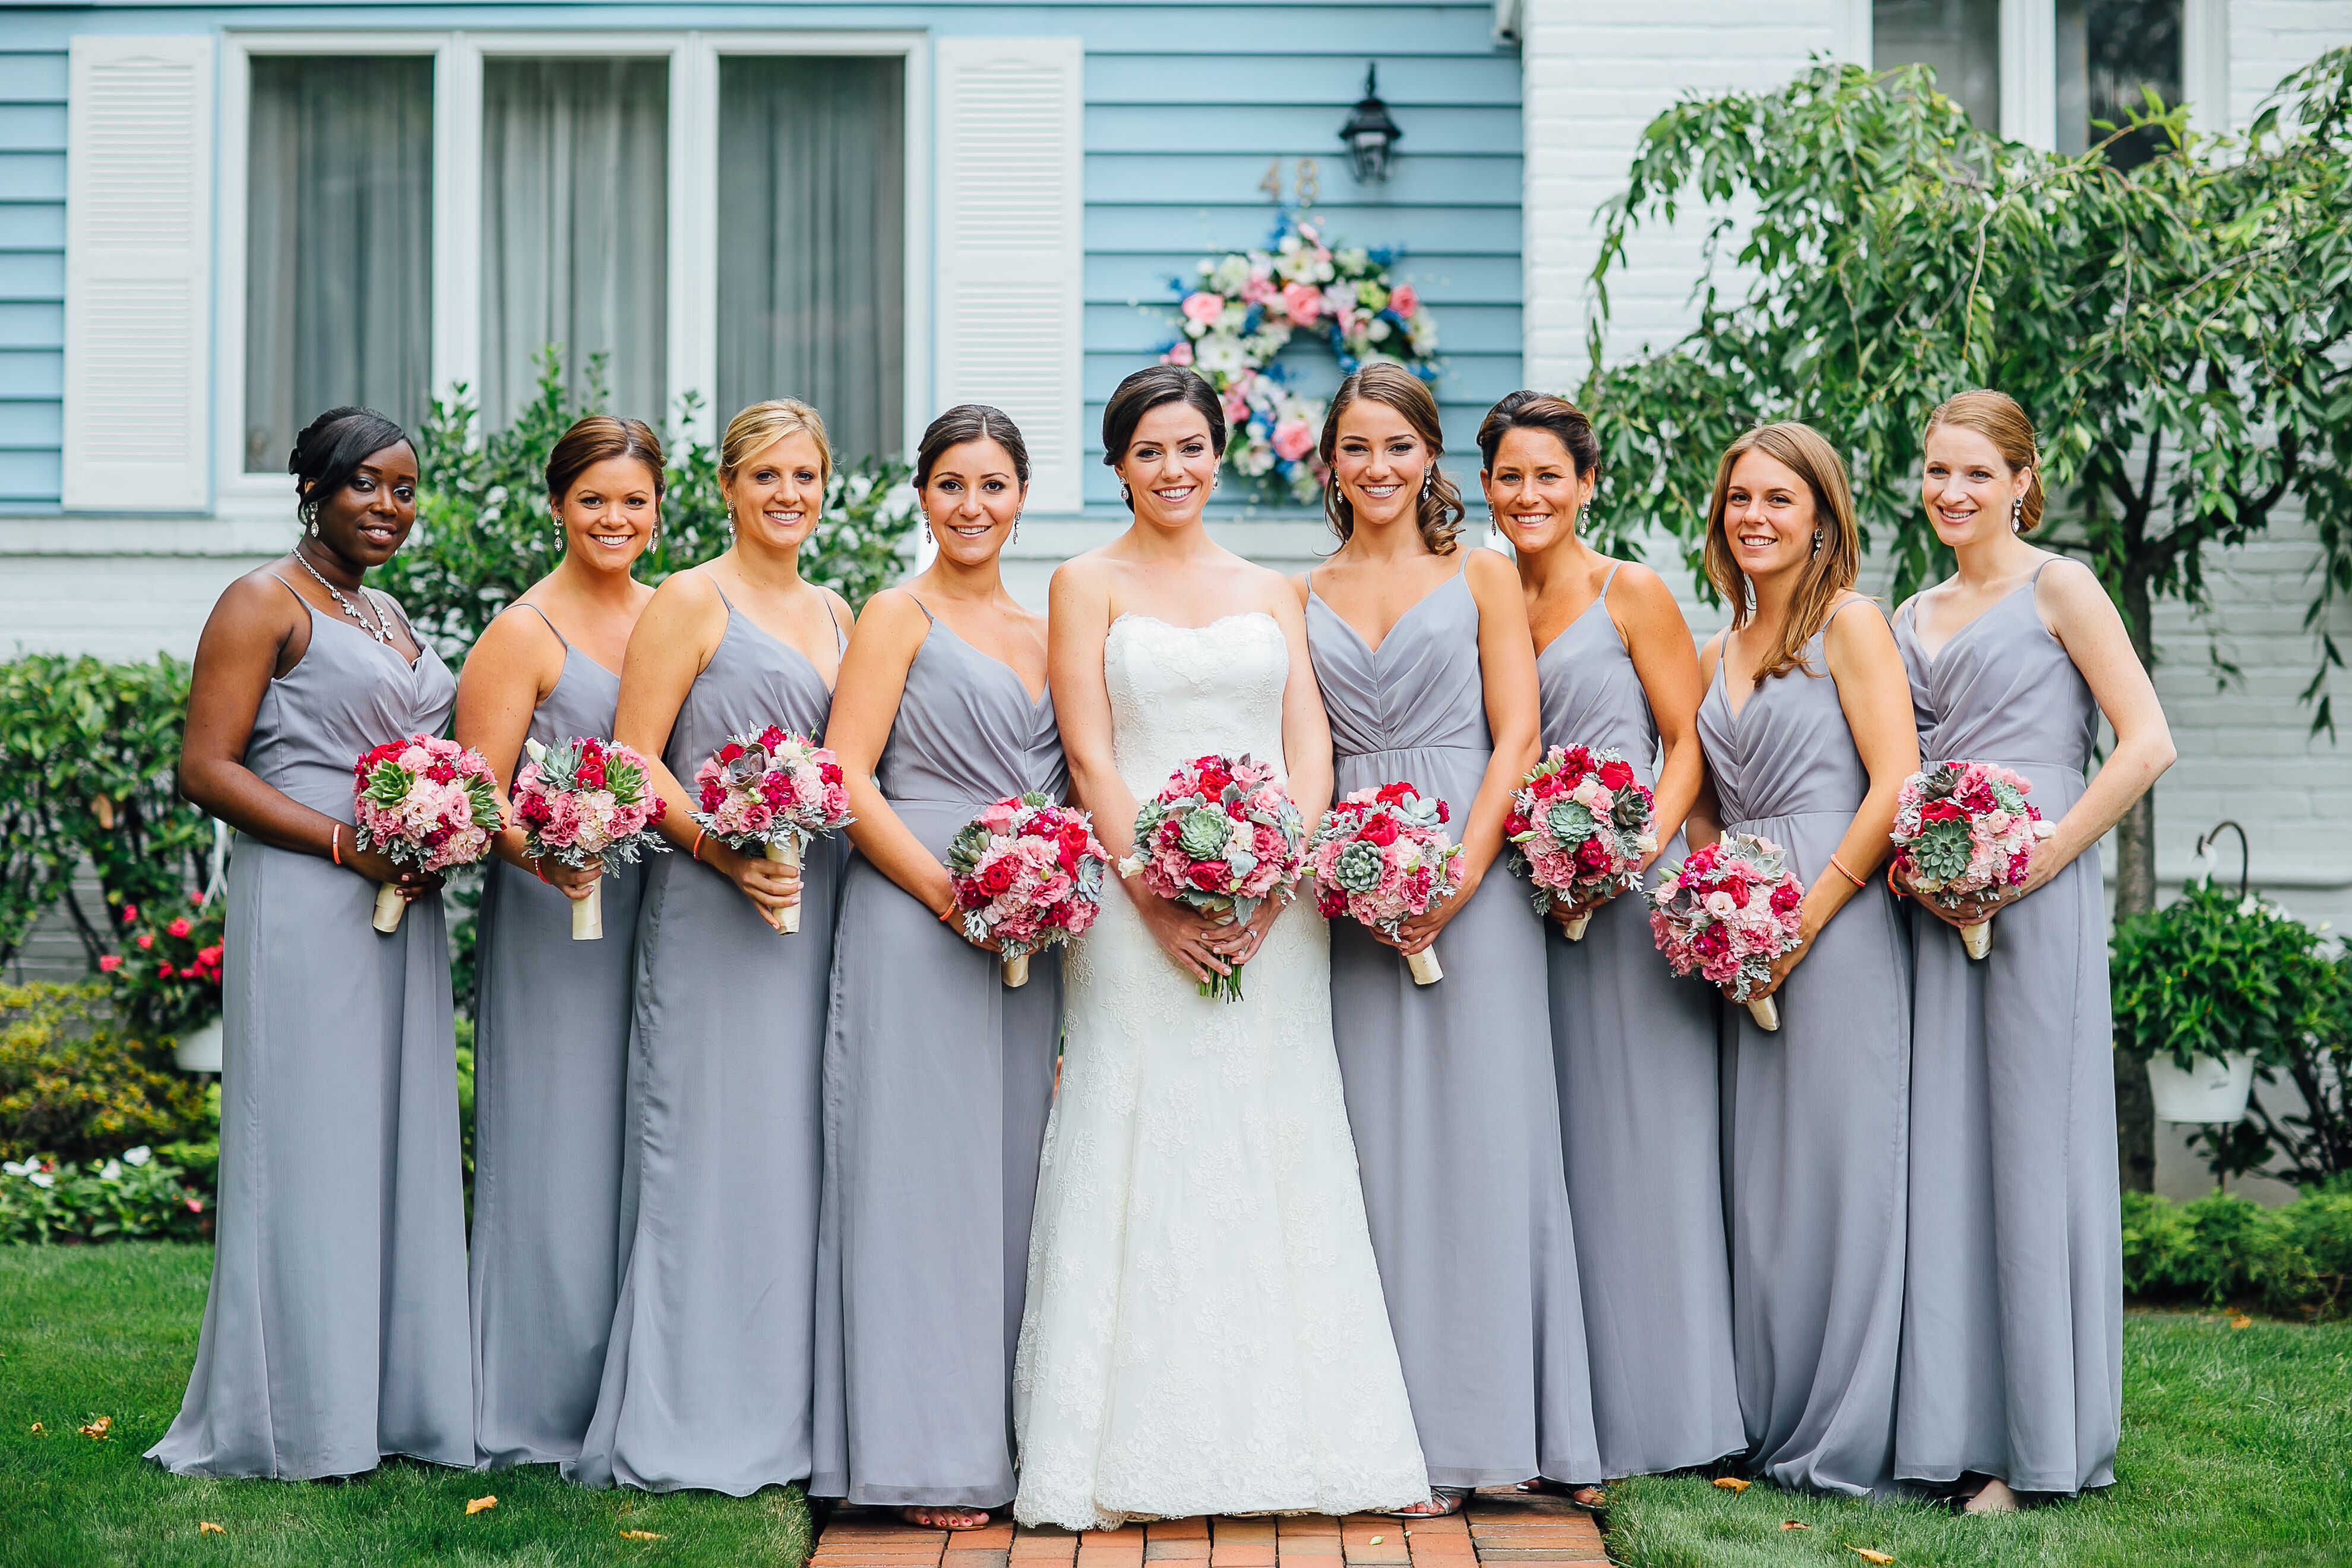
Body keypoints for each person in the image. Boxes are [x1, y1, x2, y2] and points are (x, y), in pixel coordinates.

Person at [1012, 365, 1428, 1529]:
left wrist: (1274, 871)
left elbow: (1310, 748)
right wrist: (1148, 888)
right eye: (1149, 452)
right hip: (1136, 905)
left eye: (1192, 446)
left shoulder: (1271, 590)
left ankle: (1302, 1440)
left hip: (1274, 908)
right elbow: (1092, 756)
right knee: (1137, 1128)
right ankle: (1113, 1445)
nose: (1174, 469)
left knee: (1273, 1135)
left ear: (1222, 452)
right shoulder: (1082, 584)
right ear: (1118, 466)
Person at [149, 407, 472, 1479]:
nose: (389, 507)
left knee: (392, 1144)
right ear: (313, 493)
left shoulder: (382, 610)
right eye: (365, 486)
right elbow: (207, 769)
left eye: (405, 488)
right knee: (313, 1146)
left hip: (400, 901)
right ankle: (296, 1413)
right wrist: (349, 842)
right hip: (308, 897)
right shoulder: (262, 602)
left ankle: (389, 1401)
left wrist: (435, 822)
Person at [1297, 365, 1597, 1511]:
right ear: (1330, 463)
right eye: (1357, 449)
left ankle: (1504, 1430)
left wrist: (1462, 875)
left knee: (1489, 1146)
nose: (1379, 469)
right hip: (1358, 893)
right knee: (1373, 1159)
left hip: (1473, 877)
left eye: (1399, 447)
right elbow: (1310, 748)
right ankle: (1394, 1435)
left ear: (1432, 461)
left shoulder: (1479, 575)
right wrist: (1344, 868)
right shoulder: (1302, 591)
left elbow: (1518, 731)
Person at [1891, 391, 2173, 1511]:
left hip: (2039, 891)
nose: (1951, 493)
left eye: (1974, 473)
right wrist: (1923, 867)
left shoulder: (2062, 586)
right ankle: (1952, 1428)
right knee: (1947, 1156)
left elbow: (2145, 741)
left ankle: (2036, 1445)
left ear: (2021, 479)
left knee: (2031, 1149)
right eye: (1934, 472)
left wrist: (2039, 861)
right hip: (1935, 900)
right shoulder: (1911, 609)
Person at [567, 400, 853, 1494]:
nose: (789, 495)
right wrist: (727, 853)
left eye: (807, 476)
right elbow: (634, 761)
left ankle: (787, 1414)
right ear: (728, 487)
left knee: (795, 1157)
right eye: (768, 475)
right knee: (711, 1152)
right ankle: (689, 1416)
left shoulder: (835, 610)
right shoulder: (692, 598)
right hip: (709, 903)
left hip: (808, 901)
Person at [1482, 391, 1744, 1487]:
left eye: (1550, 475)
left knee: (1642, 1155)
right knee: (1552, 1161)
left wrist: (1625, 855)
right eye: (1508, 476)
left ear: (1587, 483)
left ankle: (1667, 1419)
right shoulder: (1478, 594)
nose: (1529, 496)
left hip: (1629, 901)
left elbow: (1690, 743)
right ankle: (1559, 1417)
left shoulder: (1626, 589)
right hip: (1517, 904)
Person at [811, 406, 1065, 1526]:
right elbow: (847, 776)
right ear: (922, 494)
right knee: (918, 1186)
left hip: (1031, 928)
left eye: (995, 485)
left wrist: (1041, 883)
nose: (974, 506)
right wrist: (951, 896)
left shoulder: (1051, 624)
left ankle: (1006, 1430)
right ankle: (918, 1452)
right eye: (953, 484)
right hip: (920, 916)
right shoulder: (894, 613)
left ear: (1023, 496)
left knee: (1012, 1184)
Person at [1687, 422, 1920, 1497]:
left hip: (1837, 915)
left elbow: (1894, 784)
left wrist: (1805, 916)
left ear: (1822, 516)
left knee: (1844, 1170)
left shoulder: (1851, 626)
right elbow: (1699, 807)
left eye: (1780, 500)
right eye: (1740, 499)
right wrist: (1716, 908)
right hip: (1745, 928)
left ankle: (1849, 1428)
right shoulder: (1715, 646)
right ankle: (1769, 1414)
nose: (1755, 518)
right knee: (1765, 1184)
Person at [454, 415, 663, 1468]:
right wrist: (552, 855)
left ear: (660, 505)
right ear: (557, 507)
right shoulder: (524, 634)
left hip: (663, 914)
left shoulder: (671, 614)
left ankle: (637, 1380)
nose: (614, 519)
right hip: (557, 918)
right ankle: (536, 1400)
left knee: (644, 1139)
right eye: (594, 501)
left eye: (633, 500)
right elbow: (476, 797)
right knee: (560, 1142)